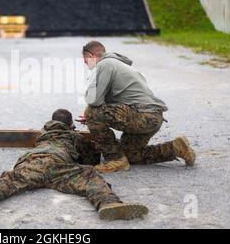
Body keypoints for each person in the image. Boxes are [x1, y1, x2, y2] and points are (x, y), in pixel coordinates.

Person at [0, 109, 149, 221]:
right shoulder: (72, 136)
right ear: (70, 124)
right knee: (91, 177)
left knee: (4, 185)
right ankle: (108, 204)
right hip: (59, 166)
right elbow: (91, 159)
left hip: (31, 162)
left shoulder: (43, 136)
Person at [81, 41, 195, 173]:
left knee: (91, 112)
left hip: (142, 115)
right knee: (130, 155)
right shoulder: (119, 65)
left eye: (85, 60)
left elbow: (93, 100)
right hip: (152, 117)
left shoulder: (105, 64)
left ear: (91, 55)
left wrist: (93, 116)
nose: (85, 64)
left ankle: (115, 160)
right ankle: (175, 148)